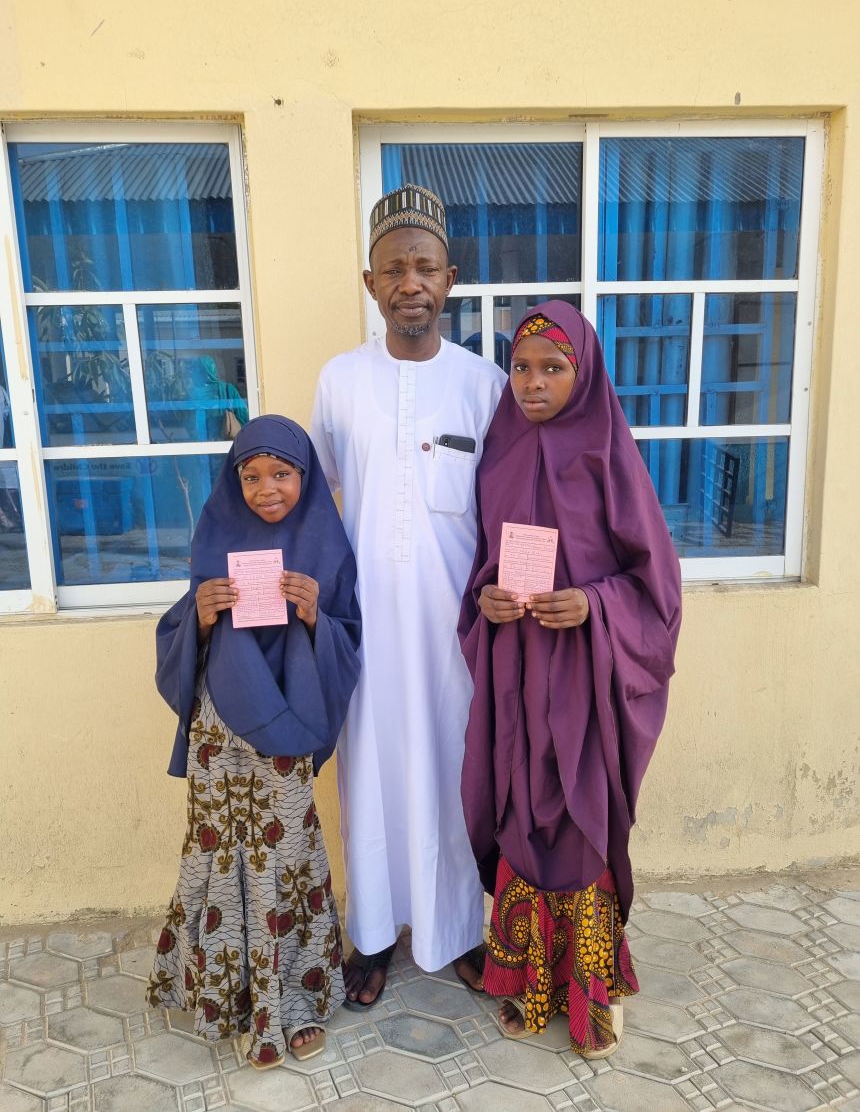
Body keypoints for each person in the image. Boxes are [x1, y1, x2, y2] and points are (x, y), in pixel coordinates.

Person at [459, 302, 682, 1056]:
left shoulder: (608, 453)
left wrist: (591, 602)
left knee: (580, 817)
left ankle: (592, 994)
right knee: (522, 810)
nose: (532, 382)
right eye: (521, 366)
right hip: (517, 673)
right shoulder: (498, 449)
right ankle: (525, 979)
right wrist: (485, 597)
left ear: (583, 374)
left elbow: (657, 586)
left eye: (552, 367)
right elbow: (482, 560)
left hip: (584, 676)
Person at [311, 184, 506, 1006]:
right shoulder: (339, 380)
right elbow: (312, 499)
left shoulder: (485, 383)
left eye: (425, 266)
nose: (411, 282)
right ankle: (374, 936)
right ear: (370, 282)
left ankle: (459, 931)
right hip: (367, 630)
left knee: (457, 772)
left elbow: (511, 507)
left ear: (450, 278)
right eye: (395, 268)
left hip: (456, 630)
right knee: (371, 780)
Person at [147, 415, 361, 1067]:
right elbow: (178, 639)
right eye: (251, 475)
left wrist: (314, 615)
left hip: (288, 723)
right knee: (220, 850)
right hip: (220, 727)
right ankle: (225, 996)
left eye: (281, 474)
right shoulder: (216, 533)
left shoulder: (326, 545)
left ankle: (287, 1000)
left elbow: (349, 639)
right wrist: (203, 615)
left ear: (306, 477)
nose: (266, 489)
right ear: (234, 479)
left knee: (283, 856)